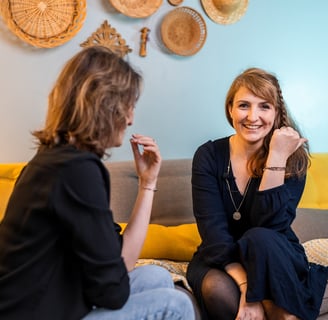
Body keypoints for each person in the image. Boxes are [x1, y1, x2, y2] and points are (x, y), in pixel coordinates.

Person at [0, 46, 194, 320]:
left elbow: (117, 262)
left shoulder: (56, 160)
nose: (131, 119)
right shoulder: (77, 171)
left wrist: (147, 183)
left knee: (155, 276)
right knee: (177, 306)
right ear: (106, 105)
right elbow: (112, 291)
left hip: (57, 300)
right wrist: (112, 279)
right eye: (129, 105)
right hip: (36, 312)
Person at [186, 67, 328, 320]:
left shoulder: (292, 158)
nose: (253, 116)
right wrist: (247, 290)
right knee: (215, 289)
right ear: (230, 109)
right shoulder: (208, 156)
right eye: (244, 105)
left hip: (273, 253)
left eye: (264, 106)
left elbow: (271, 227)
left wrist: (276, 156)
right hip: (223, 257)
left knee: (259, 237)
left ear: (276, 114)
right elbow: (214, 232)